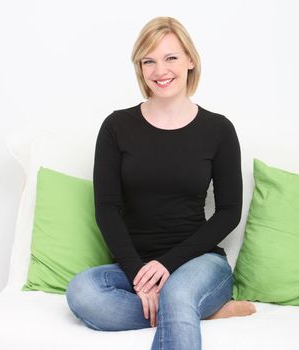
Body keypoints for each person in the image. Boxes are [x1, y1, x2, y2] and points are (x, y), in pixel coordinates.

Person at [65, 16, 256, 349]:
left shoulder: (218, 129)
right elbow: (107, 208)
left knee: (179, 293)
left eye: (171, 58)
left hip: (198, 263)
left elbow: (228, 212)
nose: (159, 70)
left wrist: (167, 265)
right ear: (139, 68)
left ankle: (184, 304)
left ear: (190, 61)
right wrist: (141, 277)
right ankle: (200, 311)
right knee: (83, 292)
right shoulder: (116, 127)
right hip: (135, 266)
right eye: (148, 61)